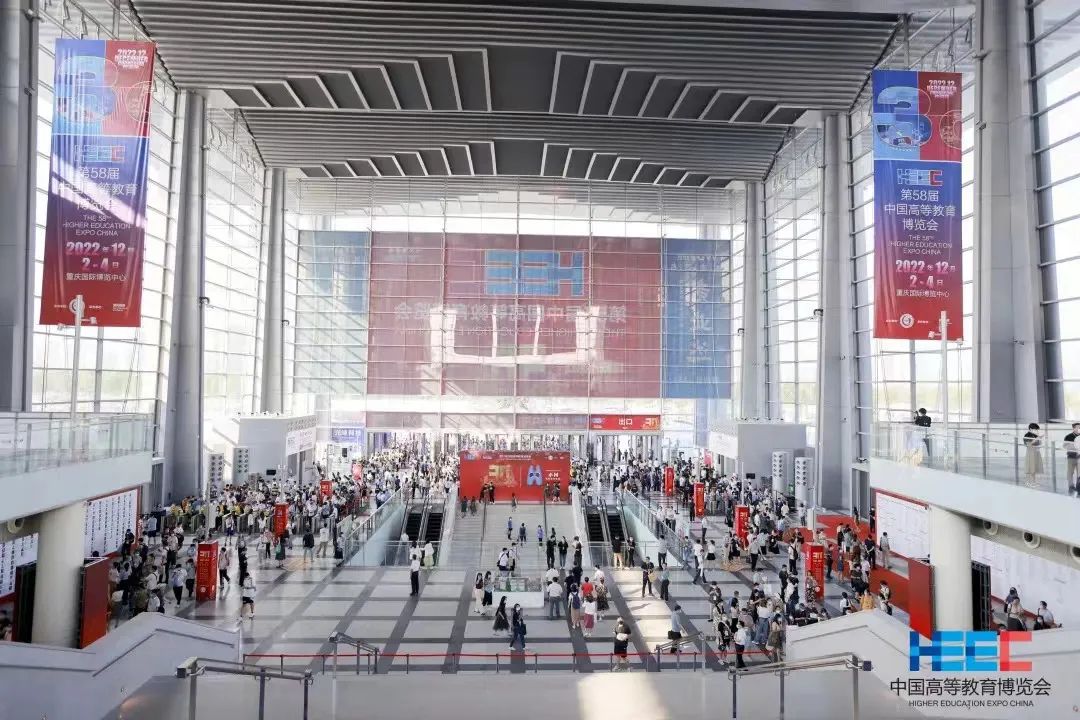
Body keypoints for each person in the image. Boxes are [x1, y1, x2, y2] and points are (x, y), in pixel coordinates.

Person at [1024, 423, 1043, 487]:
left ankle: (1033, 482)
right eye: (1035, 429)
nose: (1036, 431)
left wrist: (1039, 438)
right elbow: (1028, 444)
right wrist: (1037, 439)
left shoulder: (1035, 435)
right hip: (1030, 452)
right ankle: (1028, 482)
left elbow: (1039, 443)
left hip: (1036, 452)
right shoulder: (1027, 435)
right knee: (1030, 467)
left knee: (1034, 468)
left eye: (1037, 430)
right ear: (1030, 429)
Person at [1067, 423, 1080, 494]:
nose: (1079, 429)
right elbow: (1065, 445)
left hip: (1078, 458)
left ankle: (1078, 487)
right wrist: (1073, 447)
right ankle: (1071, 486)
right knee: (1070, 473)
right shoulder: (1069, 436)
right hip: (1071, 457)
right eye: (1077, 427)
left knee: (1079, 473)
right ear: (1073, 428)